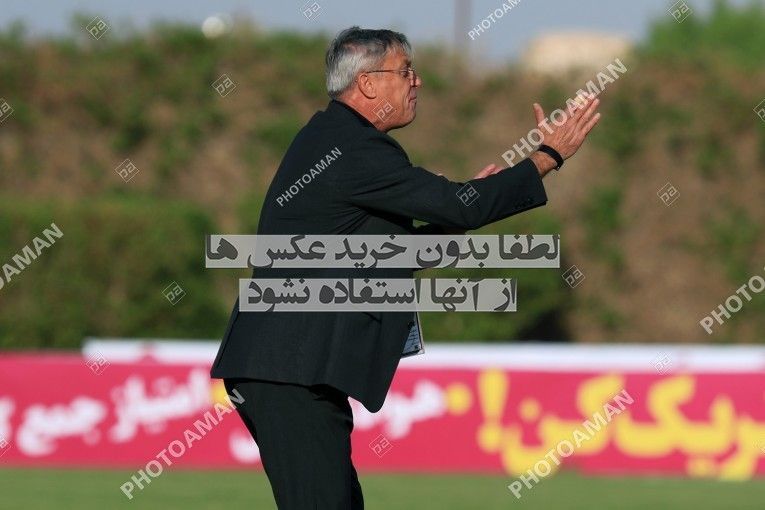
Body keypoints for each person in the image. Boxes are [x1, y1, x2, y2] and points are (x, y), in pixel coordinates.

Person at [210, 25, 601, 509]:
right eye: (406, 71)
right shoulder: (355, 149)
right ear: (368, 83)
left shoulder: (336, 139)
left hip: (292, 370)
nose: (417, 81)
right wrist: (547, 157)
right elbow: (460, 205)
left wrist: (462, 209)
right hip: (288, 370)